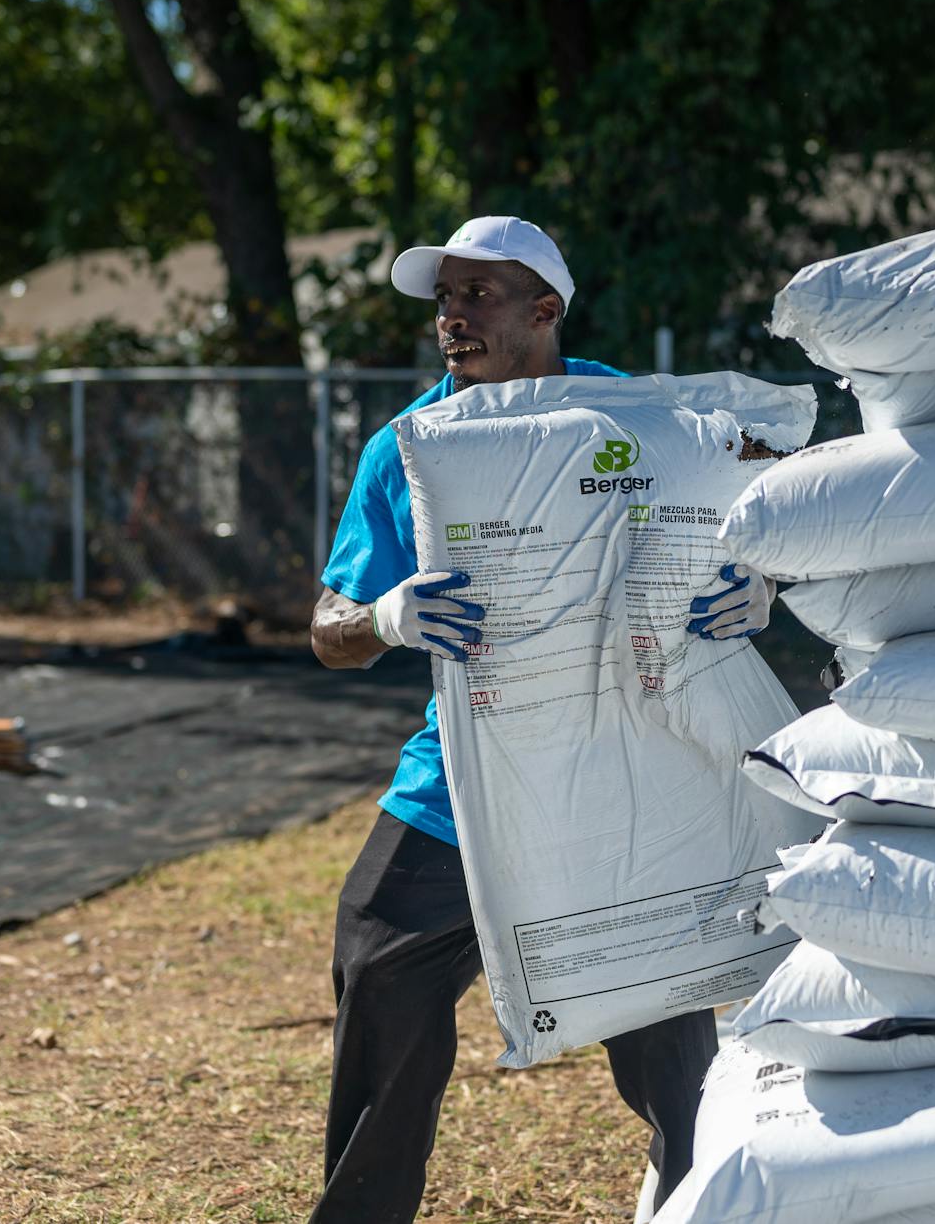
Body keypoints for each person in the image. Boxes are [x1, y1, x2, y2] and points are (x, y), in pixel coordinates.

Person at [307, 215, 773, 1223]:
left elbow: (740, 532)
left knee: (663, 1029)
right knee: (375, 960)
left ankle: (704, 1202)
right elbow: (325, 627)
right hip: (460, 783)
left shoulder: (640, 422)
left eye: (476, 295)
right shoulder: (412, 449)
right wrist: (384, 618)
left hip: (628, 776)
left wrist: (753, 591)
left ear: (544, 309)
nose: (449, 317)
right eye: (442, 298)